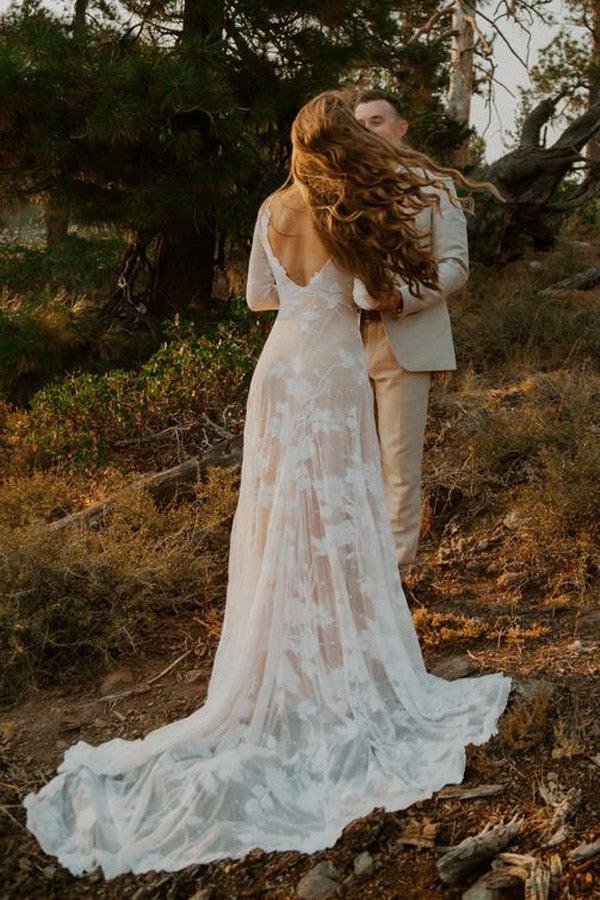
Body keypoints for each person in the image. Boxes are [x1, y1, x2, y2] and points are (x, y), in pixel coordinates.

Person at [23, 89, 511, 880]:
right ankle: (346, 636)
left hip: (277, 368)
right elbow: (361, 295)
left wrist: (300, 295)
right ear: (342, 142)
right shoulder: (346, 206)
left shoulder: (272, 207)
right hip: (331, 369)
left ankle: (282, 635)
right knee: (339, 500)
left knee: (282, 504)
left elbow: (257, 296)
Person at [353, 89, 468, 570]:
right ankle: (352, 568)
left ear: (401, 128)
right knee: (348, 465)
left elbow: (456, 266)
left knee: (399, 468)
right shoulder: (340, 189)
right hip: (340, 344)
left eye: (376, 120)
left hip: (406, 340)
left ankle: (396, 576)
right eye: (359, 123)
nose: (367, 130)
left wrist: (400, 297)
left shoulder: (435, 187)